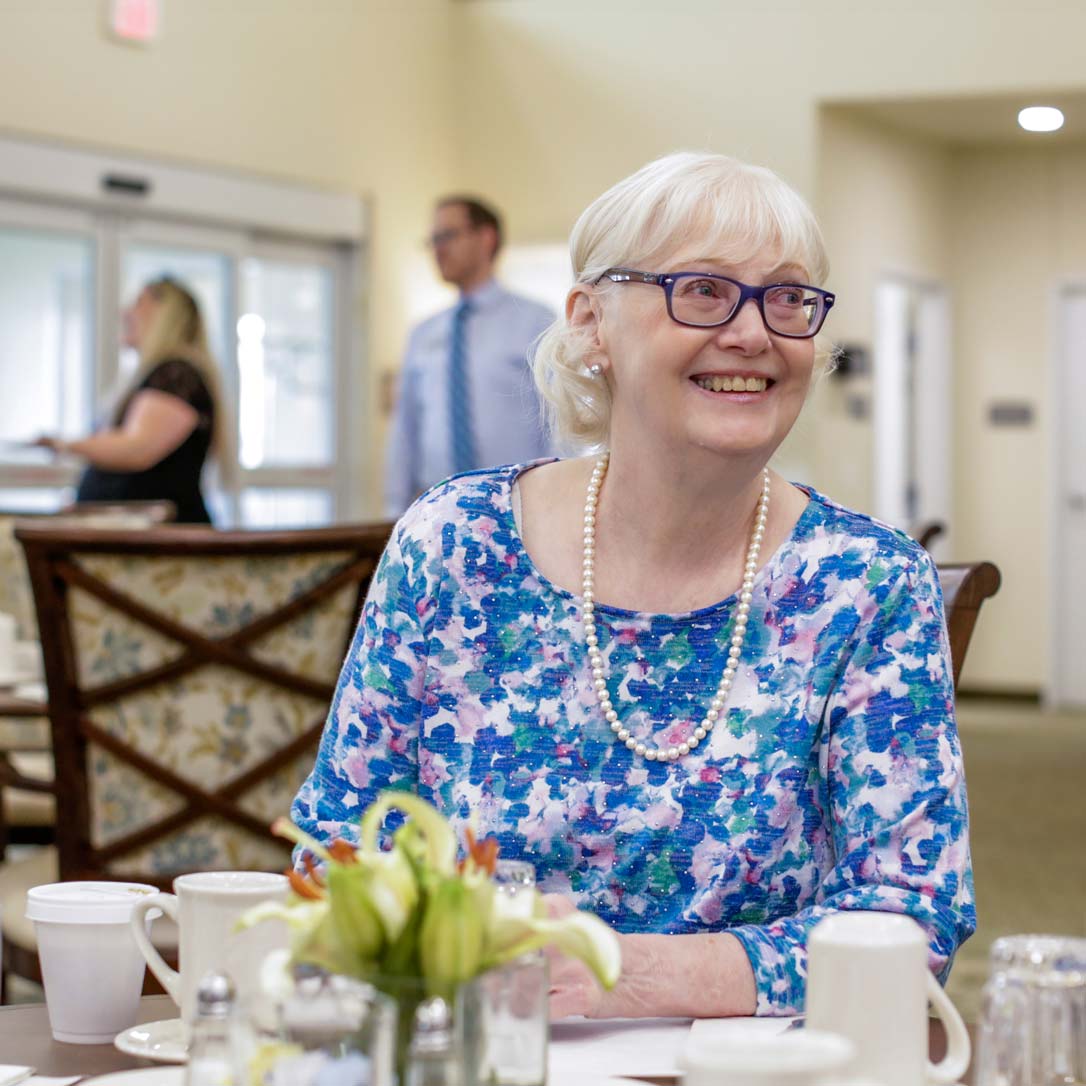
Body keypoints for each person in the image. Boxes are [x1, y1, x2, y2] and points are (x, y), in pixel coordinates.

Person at [293, 152, 975, 1020]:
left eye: (788, 297)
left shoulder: (867, 584)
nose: (754, 333)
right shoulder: (451, 544)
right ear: (588, 324)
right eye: (703, 290)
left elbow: (911, 925)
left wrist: (620, 973)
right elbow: (337, 854)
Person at [383, 196, 555, 515]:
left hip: (519, 511)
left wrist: (557, 502)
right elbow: (405, 428)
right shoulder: (423, 334)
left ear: (486, 238)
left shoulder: (536, 321)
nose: (438, 249)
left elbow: (559, 420)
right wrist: (395, 512)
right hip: (437, 514)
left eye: (447, 236)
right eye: (433, 240)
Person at [35, 276, 228, 524]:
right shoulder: (159, 375)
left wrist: (66, 445)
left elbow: (137, 448)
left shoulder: (176, 374)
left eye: (139, 302)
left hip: (162, 546)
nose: (125, 311)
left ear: (165, 314)